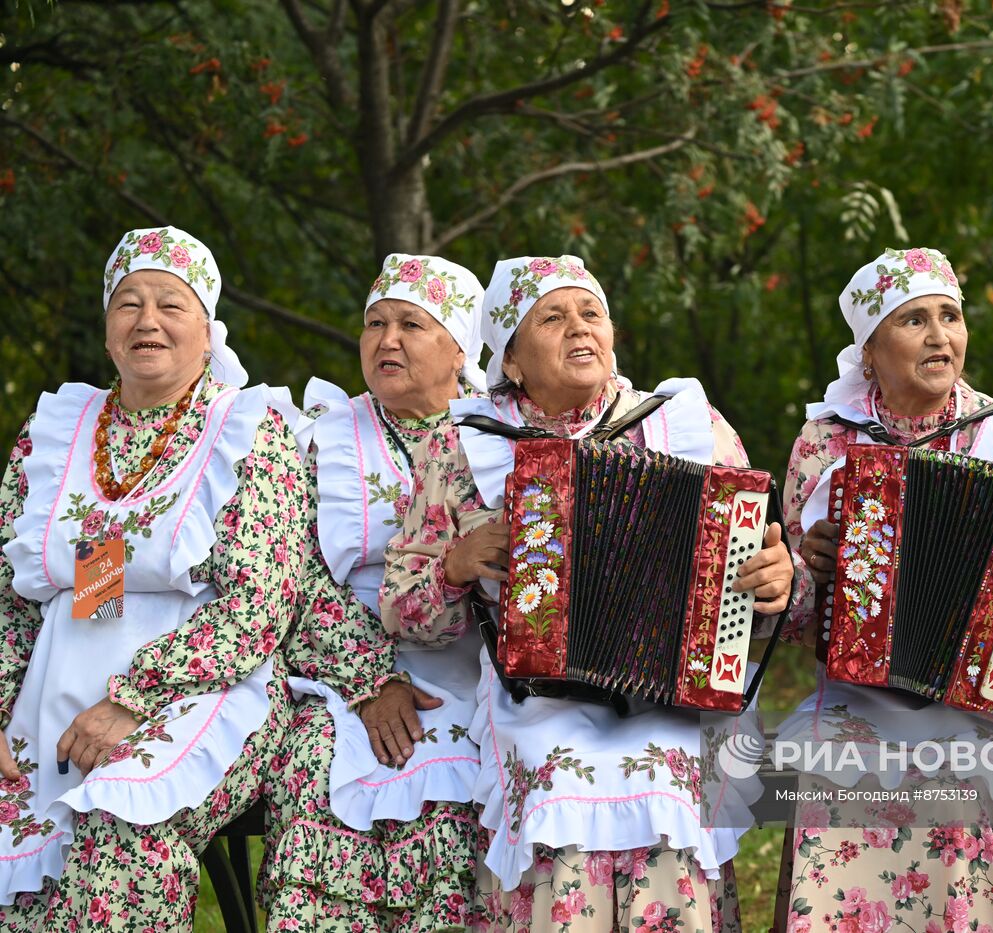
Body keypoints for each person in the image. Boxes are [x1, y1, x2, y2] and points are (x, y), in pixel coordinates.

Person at [381, 254, 792, 931]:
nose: (580, 327)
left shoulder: (688, 424)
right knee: (556, 780)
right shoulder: (465, 444)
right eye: (553, 316)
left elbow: (759, 598)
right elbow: (402, 607)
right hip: (536, 701)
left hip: (674, 696)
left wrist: (775, 582)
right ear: (510, 359)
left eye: (591, 312)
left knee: (666, 787)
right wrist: (453, 567)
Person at [777, 247, 993, 933]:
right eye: (913, 320)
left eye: (950, 316)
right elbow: (795, 612)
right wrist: (804, 571)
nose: (939, 336)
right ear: (869, 351)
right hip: (866, 690)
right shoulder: (825, 441)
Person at [0, 226, 306, 931]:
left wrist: (132, 700)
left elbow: (260, 604)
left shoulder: (246, 429)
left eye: (171, 303)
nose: (147, 320)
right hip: (56, 681)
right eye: (128, 303)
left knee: (122, 828)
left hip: (204, 690)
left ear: (207, 330)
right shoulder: (58, 429)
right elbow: (14, 593)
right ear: (107, 330)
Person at [260, 253, 490, 930]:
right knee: (314, 760)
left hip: (471, 667)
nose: (386, 339)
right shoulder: (318, 438)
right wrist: (370, 680)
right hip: (342, 671)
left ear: (458, 349)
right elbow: (293, 574)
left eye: (411, 324)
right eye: (375, 322)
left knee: (459, 775)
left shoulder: (493, 437)